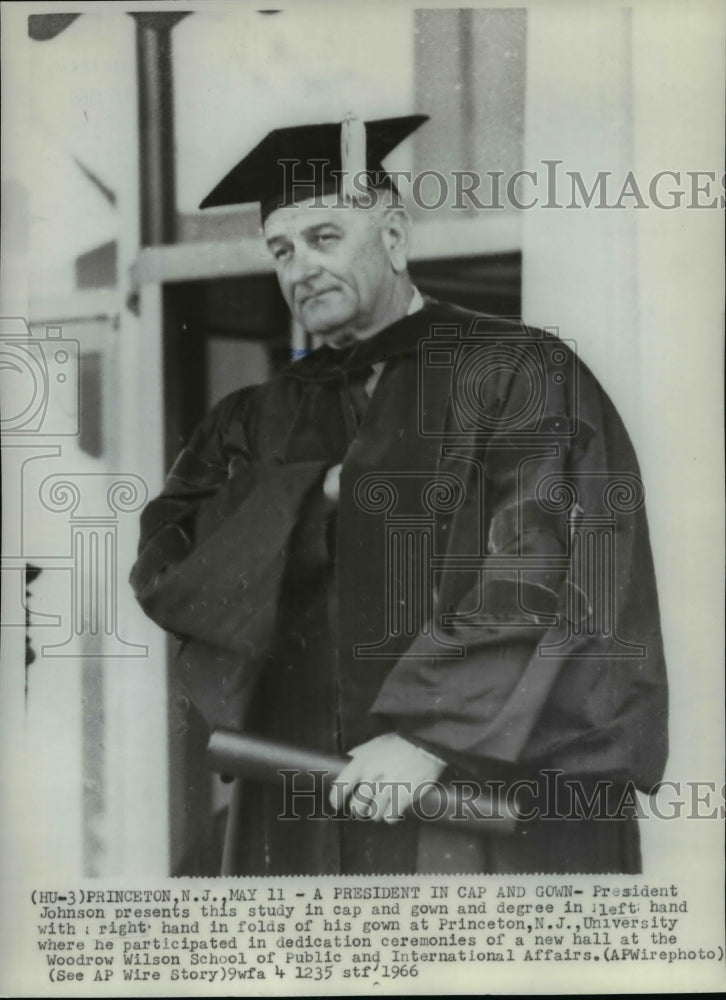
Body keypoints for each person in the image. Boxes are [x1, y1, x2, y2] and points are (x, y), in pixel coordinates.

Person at [130, 115, 668, 876]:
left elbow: (545, 559)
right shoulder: (254, 419)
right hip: (312, 794)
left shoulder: (514, 372)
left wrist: (430, 734)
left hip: (478, 796)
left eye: (324, 237)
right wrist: (309, 499)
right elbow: (168, 561)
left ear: (391, 235)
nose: (300, 268)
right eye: (281, 250)